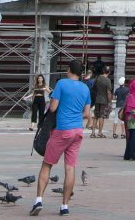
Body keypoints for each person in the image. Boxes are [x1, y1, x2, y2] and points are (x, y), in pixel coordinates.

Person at [29, 59, 91, 218]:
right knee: (70, 168)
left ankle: (38, 200)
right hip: (77, 131)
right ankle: (64, 206)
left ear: (69, 69)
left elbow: (53, 108)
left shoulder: (62, 84)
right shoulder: (85, 88)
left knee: (47, 164)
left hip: (62, 129)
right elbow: (86, 114)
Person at [92, 66, 112, 139]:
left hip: (97, 99)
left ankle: (93, 132)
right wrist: (110, 101)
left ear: (103, 71)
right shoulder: (108, 80)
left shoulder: (98, 78)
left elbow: (94, 88)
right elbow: (108, 92)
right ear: (109, 72)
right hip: (104, 100)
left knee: (96, 115)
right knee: (101, 116)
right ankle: (99, 133)